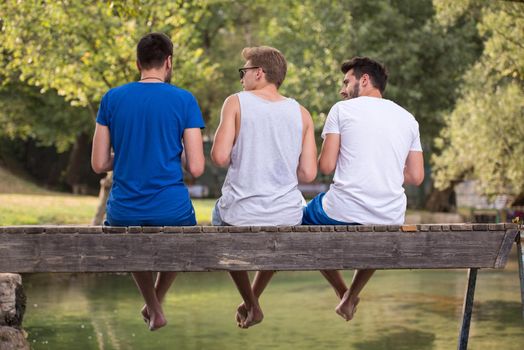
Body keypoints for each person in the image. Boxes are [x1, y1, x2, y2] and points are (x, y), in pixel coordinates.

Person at [91, 32, 205, 331]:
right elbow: (196, 166)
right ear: (168, 62)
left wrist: (130, 155)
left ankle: (154, 307)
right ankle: (156, 303)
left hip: (123, 209)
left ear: (137, 62)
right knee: (184, 240)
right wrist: (165, 154)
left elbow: (99, 163)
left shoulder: (112, 98)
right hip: (173, 209)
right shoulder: (184, 99)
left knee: (130, 239)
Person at [303, 56, 424, 322]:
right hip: (391, 215)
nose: (342, 89)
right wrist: (387, 171)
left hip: (342, 211)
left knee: (302, 222)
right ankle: (351, 296)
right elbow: (416, 176)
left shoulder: (341, 110)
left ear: (365, 80)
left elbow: (325, 166)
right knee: (379, 228)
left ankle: (342, 291)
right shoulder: (408, 118)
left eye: (347, 81)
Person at [210, 46, 317, 328]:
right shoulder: (302, 113)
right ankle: (253, 300)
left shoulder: (236, 102)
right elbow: (308, 173)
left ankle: (252, 302)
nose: (241, 79)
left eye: (243, 72)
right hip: (287, 215)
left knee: (218, 219)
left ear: (259, 73)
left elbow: (219, 157)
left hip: (239, 214)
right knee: (280, 228)